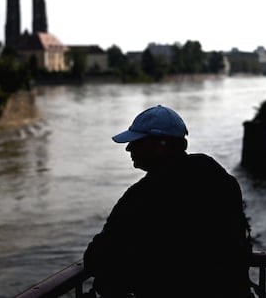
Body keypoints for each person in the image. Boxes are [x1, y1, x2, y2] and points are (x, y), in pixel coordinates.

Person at [83, 105, 254, 298]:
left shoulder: (142, 196)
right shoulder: (220, 179)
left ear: (160, 144)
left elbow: (97, 255)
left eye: (137, 141)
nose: (129, 147)